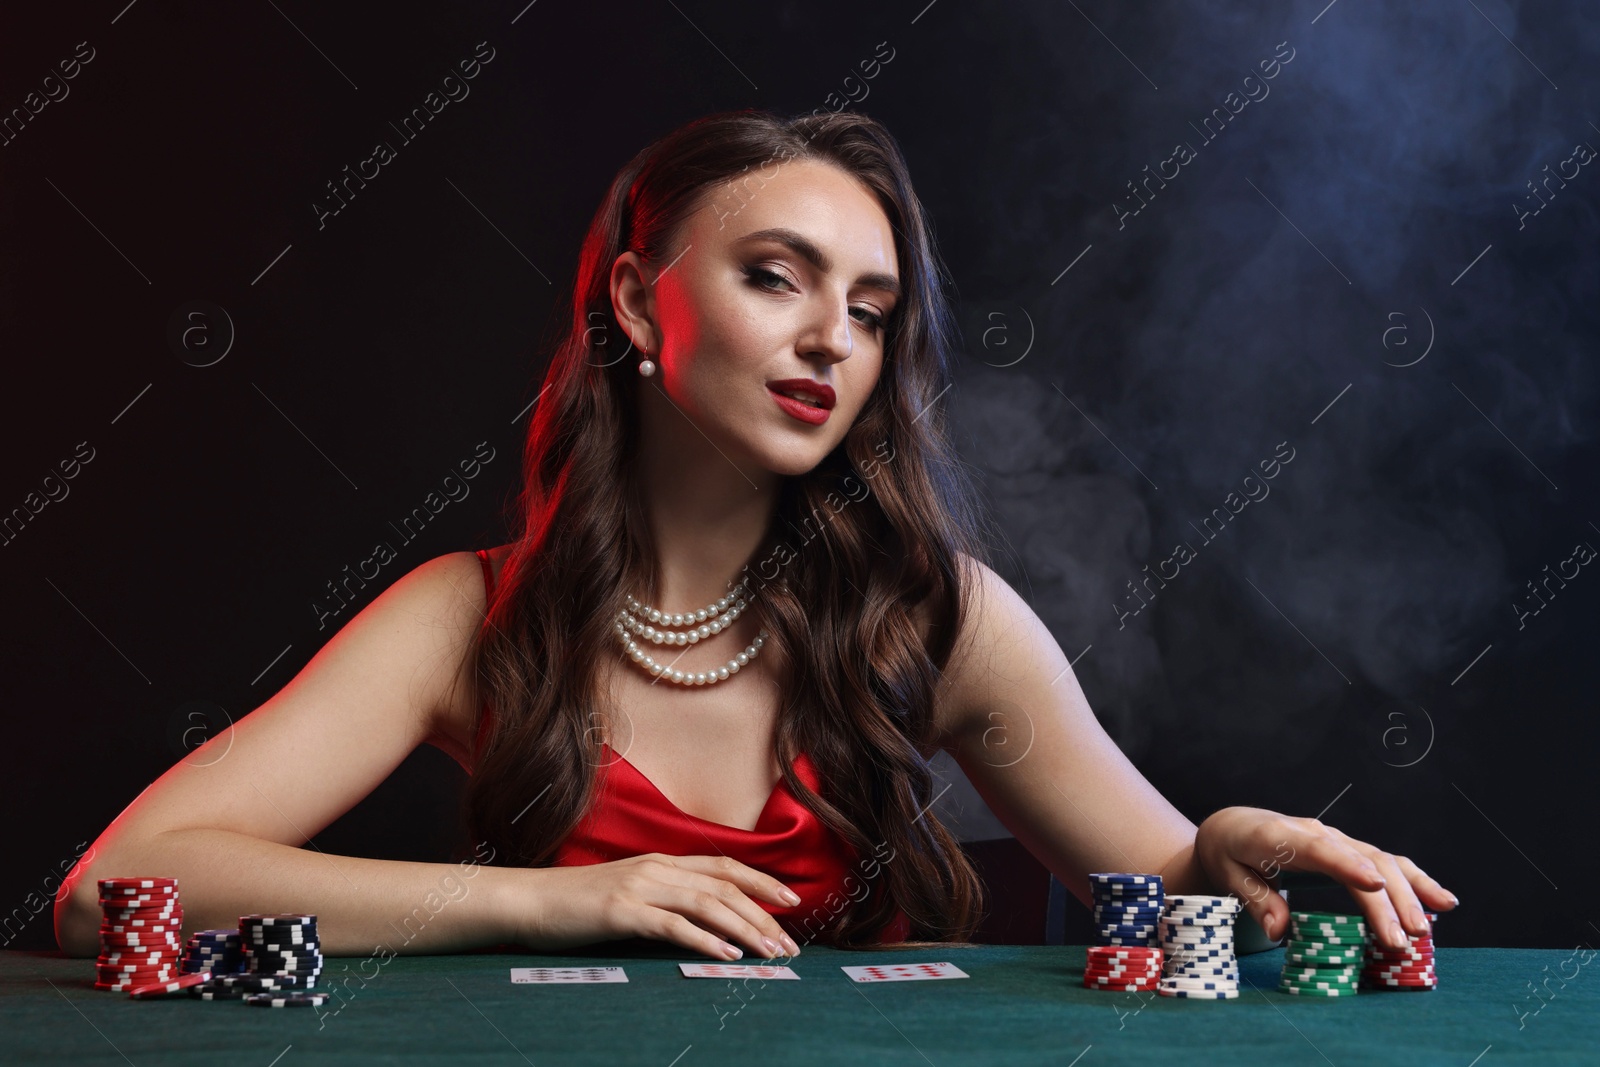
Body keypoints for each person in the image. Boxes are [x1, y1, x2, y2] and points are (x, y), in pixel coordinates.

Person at [55, 108, 1456, 964]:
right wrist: (563, 909)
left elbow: (1164, 890)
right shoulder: (465, 615)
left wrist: (1230, 843)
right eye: (773, 278)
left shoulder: (937, 616)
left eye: (868, 306)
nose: (826, 340)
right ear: (630, 302)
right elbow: (112, 888)